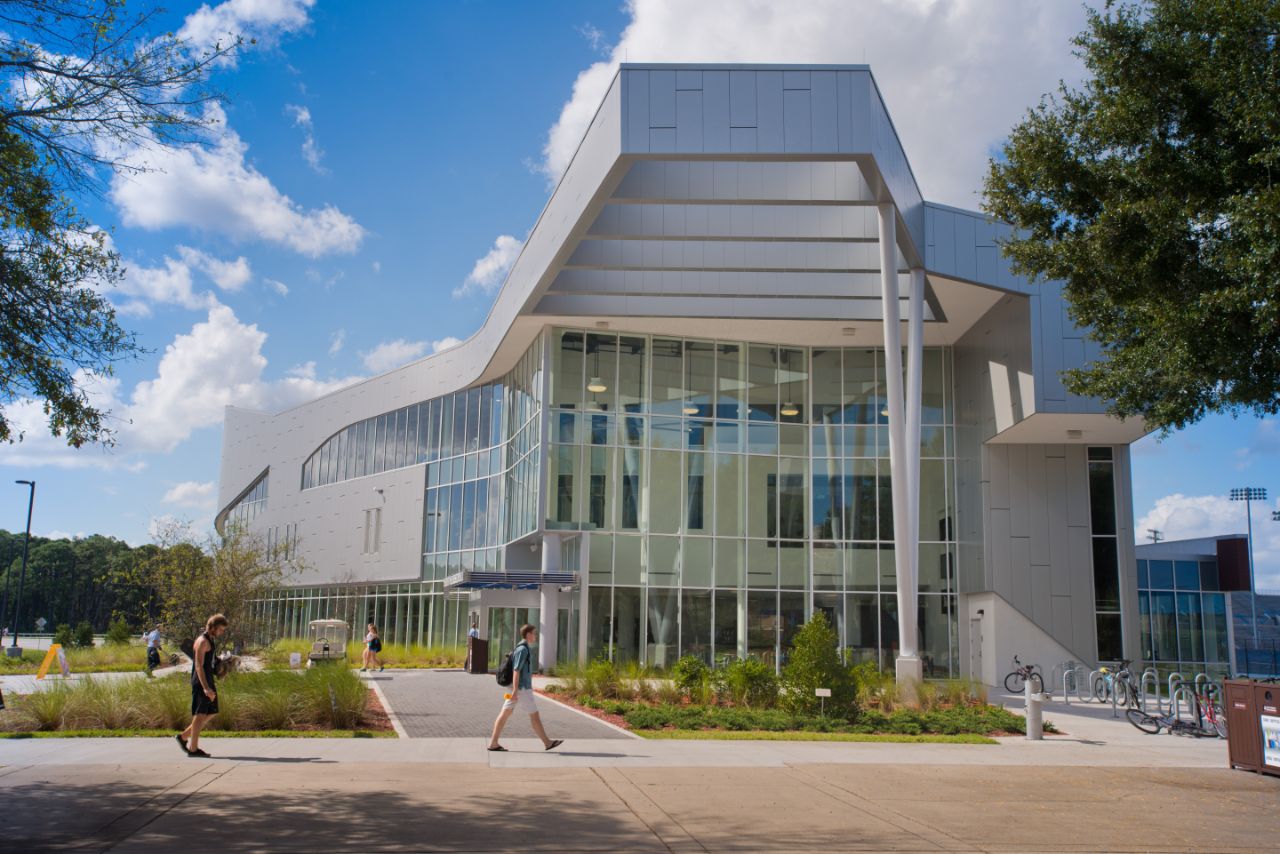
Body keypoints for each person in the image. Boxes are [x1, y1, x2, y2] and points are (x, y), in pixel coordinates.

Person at [487, 624, 563, 753]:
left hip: (518, 689)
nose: (535, 636)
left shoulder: (522, 648)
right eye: (534, 633)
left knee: (506, 713)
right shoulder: (523, 649)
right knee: (534, 715)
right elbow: (516, 670)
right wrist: (516, 690)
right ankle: (547, 742)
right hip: (522, 689)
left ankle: (493, 743)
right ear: (528, 635)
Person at [177, 614, 228, 759]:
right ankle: (193, 749)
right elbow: (198, 665)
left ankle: (183, 737)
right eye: (221, 630)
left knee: (212, 711)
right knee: (200, 715)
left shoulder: (210, 640)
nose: (222, 633)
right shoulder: (202, 641)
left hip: (208, 679)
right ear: (213, 627)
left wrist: (221, 661)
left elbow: (209, 661)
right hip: (201, 682)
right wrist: (206, 688)